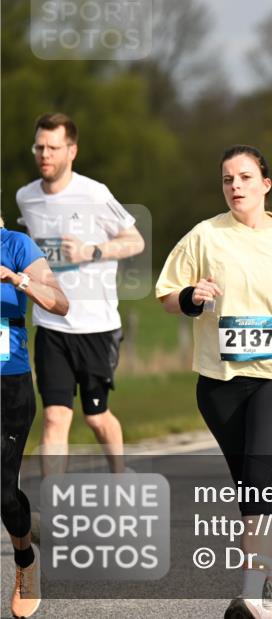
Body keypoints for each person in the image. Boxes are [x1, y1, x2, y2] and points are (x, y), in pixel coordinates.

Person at [155, 145, 272, 618]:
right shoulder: (204, 236)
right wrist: (191, 296)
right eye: (228, 180)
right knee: (250, 489)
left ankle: (254, 594)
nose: (236, 187)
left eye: (245, 178)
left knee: (257, 478)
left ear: (266, 185)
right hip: (219, 381)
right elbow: (167, 295)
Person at [16, 113, 145, 476]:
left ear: (71, 150)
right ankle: (57, 503)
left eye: (53, 148)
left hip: (96, 327)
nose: (44, 154)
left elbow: (135, 241)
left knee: (96, 415)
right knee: (55, 418)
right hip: (51, 323)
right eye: (39, 147)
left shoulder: (94, 193)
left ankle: (121, 476)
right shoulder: (26, 197)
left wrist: (91, 251)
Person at [2, 218, 69, 619]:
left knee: (3, 491)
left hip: (7, 383)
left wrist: (17, 280)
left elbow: (60, 302)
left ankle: (25, 561)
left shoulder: (16, 245)